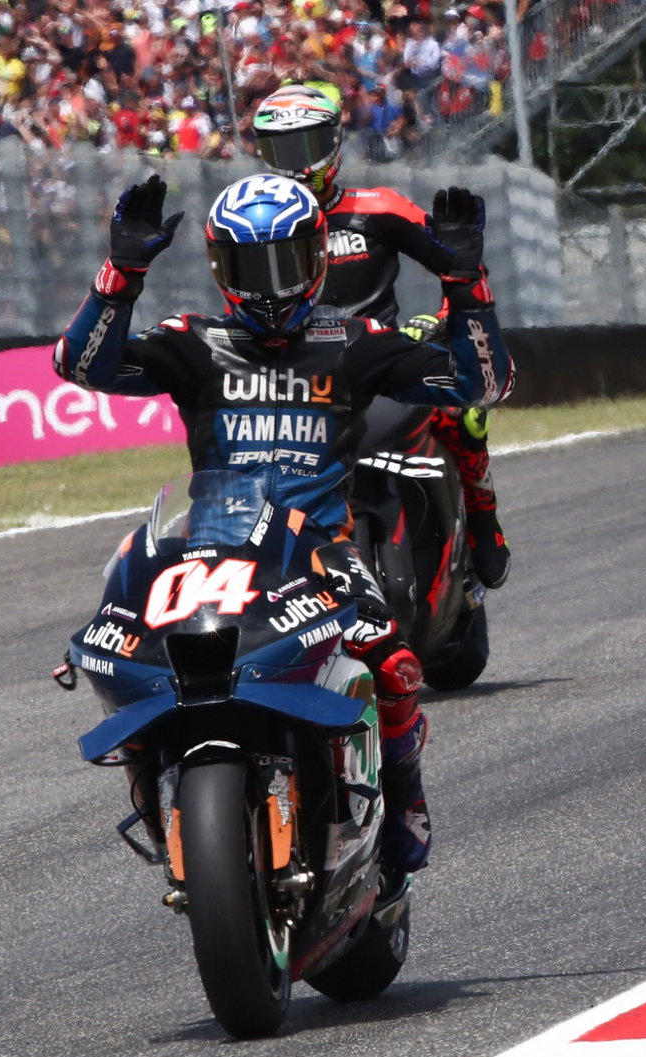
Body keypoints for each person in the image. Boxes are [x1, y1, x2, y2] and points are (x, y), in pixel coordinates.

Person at [52, 172, 513, 878]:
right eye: (249, 267)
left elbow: (483, 385)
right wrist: (122, 273)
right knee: (129, 654)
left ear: (319, 256)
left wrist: (464, 284)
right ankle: (160, 788)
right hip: (211, 549)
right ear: (219, 268)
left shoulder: (355, 339)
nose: (269, 288)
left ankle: (405, 800)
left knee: (393, 663)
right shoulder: (193, 340)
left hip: (320, 549)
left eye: (285, 262)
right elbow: (80, 365)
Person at [252, 83, 511, 588]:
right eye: (281, 149)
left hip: (383, 362)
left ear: (333, 142)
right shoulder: (255, 224)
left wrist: (439, 319)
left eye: (306, 145)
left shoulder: (380, 207)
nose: (296, 163)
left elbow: (460, 267)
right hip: (298, 379)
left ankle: (483, 517)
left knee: (464, 409)